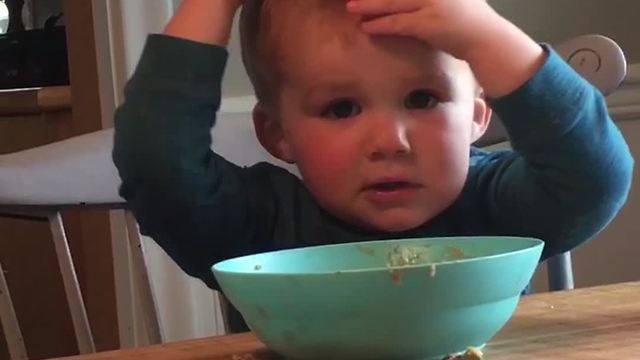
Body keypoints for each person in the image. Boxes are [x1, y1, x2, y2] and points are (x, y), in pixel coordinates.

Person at [113, 0, 633, 298]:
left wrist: (484, 34)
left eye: (423, 98)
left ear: (477, 113)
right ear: (278, 134)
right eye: (341, 109)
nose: (391, 142)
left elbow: (594, 179)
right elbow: (156, 162)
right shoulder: (258, 229)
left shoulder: (495, 207)